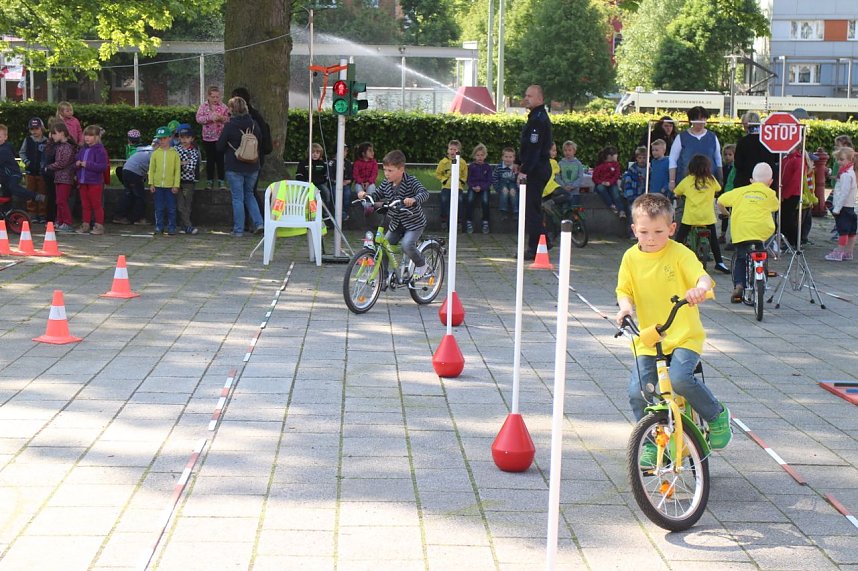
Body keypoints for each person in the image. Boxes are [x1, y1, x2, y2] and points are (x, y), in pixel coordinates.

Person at [615, 192, 732, 461]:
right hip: (649, 338)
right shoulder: (630, 258)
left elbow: (702, 276)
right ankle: (652, 441)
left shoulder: (680, 253)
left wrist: (699, 289)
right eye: (644, 232)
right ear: (634, 230)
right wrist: (624, 308)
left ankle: (716, 414)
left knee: (680, 379)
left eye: (658, 231)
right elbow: (624, 289)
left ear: (671, 228)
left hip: (683, 336)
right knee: (638, 391)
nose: (651, 238)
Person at [357, 150, 432, 281]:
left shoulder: (411, 181)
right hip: (396, 223)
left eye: (390, 171)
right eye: (385, 170)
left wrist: (413, 199)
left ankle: (422, 264)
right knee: (383, 246)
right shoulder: (387, 183)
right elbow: (377, 195)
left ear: (401, 169)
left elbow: (424, 192)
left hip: (413, 223)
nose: (386, 174)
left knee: (407, 245)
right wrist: (366, 196)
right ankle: (383, 277)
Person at [717, 163, 779, 302]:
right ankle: (762, 275)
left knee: (741, 257)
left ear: (751, 180)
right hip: (762, 230)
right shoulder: (770, 193)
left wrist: (726, 213)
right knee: (761, 252)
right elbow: (775, 207)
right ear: (770, 182)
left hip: (741, 230)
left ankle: (739, 285)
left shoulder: (739, 191)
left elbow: (720, 201)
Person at [673, 154, 730, 274]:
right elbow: (719, 189)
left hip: (690, 218)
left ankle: (671, 259)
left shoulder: (688, 180)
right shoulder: (711, 180)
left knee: (679, 238)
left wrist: (678, 195)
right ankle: (719, 262)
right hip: (707, 218)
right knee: (713, 239)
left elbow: (676, 192)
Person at [217, 96, 264, 237]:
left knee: (238, 198)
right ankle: (259, 223)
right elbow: (260, 141)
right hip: (253, 165)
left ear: (231, 110)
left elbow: (219, 147)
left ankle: (238, 230)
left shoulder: (230, 126)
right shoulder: (254, 124)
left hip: (234, 166)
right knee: (249, 195)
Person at [517, 85, 553, 259]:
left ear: (540, 98)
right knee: (533, 208)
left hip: (537, 169)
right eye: (526, 95)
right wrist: (518, 162)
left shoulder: (538, 119)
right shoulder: (535, 117)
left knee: (531, 210)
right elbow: (526, 146)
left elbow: (534, 148)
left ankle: (534, 248)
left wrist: (525, 171)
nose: (527, 98)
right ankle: (545, 239)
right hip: (536, 167)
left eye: (530, 96)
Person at [669, 106, 723, 194]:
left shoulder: (712, 137)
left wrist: (720, 178)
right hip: (686, 183)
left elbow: (718, 159)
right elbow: (672, 159)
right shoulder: (681, 137)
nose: (701, 122)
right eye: (697, 119)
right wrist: (672, 180)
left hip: (708, 184)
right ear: (691, 120)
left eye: (703, 119)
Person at [824, 147, 857, 261]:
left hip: (843, 207)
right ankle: (848, 252)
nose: (839, 162)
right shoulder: (850, 172)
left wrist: (837, 208)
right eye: (838, 159)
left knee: (843, 230)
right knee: (851, 231)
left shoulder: (846, 175)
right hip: (850, 206)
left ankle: (840, 252)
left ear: (849, 160)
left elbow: (844, 193)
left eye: (841, 159)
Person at [74, 125, 109, 235]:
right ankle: (85, 224)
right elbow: (75, 163)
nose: (87, 138)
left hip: (95, 182)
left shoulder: (100, 150)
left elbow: (103, 167)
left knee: (96, 204)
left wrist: (87, 165)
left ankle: (99, 225)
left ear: (97, 137)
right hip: (83, 182)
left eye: (90, 135)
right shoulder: (83, 149)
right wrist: (76, 165)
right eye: (86, 135)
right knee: (85, 205)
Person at [43, 122, 77, 233]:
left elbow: (62, 163)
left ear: (62, 133)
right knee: (59, 201)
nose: (52, 136)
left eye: (54, 133)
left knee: (62, 201)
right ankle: (60, 221)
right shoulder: (60, 146)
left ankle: (67, 222)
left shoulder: (67, 147)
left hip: (65, 178)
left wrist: (49, 167)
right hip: (58, 177)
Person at [733, 111, 778, 190]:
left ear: (746, 125)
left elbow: (738, 164)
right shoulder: (769, 140)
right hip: (768, 183)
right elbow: (776, 158)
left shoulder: (743, 142)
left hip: (747, 183)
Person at [148, 126, 181, 235]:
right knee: (159, 208)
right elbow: (151, 169)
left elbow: (177, 171)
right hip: (158, 185)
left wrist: (176, 185)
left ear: (169, 138)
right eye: (160, 139)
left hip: (170, 186)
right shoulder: (155, 153)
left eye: (164, 138)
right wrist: (151, 183)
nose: (161, 141)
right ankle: (159, 226)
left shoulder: (175, 153)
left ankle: (172, 227)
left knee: (171, 208)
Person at [196, 86, 230, 191]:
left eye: (217, 97)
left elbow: (229, 119)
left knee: (220, 160)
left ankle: (221, 182)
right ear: (208, 96)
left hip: (220, 138)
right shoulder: (203, 107)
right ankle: (209, 182)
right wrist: (210, 118)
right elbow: (198, 119)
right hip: (208, 138)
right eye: (213, 97)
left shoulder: (224, 107)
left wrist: (222, 118)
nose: (215, 99)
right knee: (210, 160)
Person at [113, 138, 153, 226]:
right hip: (134, 173)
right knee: (140, 196)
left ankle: (119, 216)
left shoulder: (142, 151)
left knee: (128, 194)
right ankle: (138, 218)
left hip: (126, 171)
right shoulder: (153, 153)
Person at [435, 139, 468, 231]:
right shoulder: (443, 162)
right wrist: (444, 180)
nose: (453, 151)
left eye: (455, 150)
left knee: (460, 201)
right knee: (444, 200)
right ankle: (444, 220)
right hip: (447, 187)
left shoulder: (462, 162)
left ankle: (459, 222)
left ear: (459, 151)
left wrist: (461, 181)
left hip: (458, 187)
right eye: (451, 149)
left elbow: (465, 175)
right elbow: (438, 174)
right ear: (447, 150)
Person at [19, 117, 49, 223]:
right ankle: (32, 213)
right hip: (30, 172)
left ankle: (42, 213)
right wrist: (27, 162)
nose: (34, 131)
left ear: (41, 128)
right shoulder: (28, 140)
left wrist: (45, 165)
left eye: (36, 128)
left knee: (42, 192)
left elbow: (49, 155)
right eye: (32, 129)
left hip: (41, 173)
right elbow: (22, 152)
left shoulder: (47, 141)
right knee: (30, 192)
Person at [779, 143, 806, 249]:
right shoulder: (786, 159)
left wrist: (785, 194)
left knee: (788, 218)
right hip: (784, 192)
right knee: (783, 217)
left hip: (793, 193)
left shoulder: (798, 159)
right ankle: (787, 239)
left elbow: (796, 180)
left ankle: (793, 241)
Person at [296, 143, 334, 218]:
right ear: (308, 153)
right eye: (313, 152)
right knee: (303, 197)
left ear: (320, 154)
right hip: (306, 184)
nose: (315, 154)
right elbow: (298, 175)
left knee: (326, 193)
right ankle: (301, 213)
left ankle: (325, 214)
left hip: (319, 184)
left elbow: (325, 176)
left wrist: (320, 181)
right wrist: (305, 181)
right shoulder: (303, 163)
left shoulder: (322, 164)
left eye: (317, 152)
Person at [176, 125, 201, 235]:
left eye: (187, 137)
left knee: (187, 205)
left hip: (189, 182)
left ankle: (184, 226)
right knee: (180, 205)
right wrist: (182, 163)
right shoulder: (175, 149)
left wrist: (181, 164)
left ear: (192, 139)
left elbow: (190, 168)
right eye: (182, 137)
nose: (184, 140)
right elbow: (173, 164)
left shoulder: (194, 151)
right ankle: (189, 226)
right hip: (177, 181)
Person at [466, 143, 493, 234]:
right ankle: (469, 221)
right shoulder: (471, 167)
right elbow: (468, 179)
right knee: (469, 200)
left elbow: (489, 181)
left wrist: (482, 187)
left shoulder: (487, 167)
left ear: (485, 156)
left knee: (485, 201)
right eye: (477, 155)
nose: (480, 157)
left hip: (484, 188)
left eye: (482, 155)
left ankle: (485, 222)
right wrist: (473, 187)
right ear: (474, 156)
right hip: (473, 187)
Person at [592, 145, 625, 218]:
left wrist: (610, 182)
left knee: (615, 192)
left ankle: (621, 210)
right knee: (600, 188)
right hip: (601, 184)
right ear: (610, 156)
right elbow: (595, 177)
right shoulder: (600, 166)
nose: (617, 156)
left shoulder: (616, 165)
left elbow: (616, 175)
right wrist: (602, 182)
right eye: (616, 154)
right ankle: (611, 205)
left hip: (612, 184)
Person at [326, 143, 353, 222]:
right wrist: (337, 182)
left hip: (345, 185)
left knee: (347, 194)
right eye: (344, 151)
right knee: (335, 195)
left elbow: (351, 175)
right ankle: (342, 215)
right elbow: (329, 176)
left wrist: (348, 181)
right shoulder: (331, 163)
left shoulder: (347, 162)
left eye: (346, 151)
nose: (346, 153)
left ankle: (345, 214)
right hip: (334, 185)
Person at [557, 140, 585, 206]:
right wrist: (563, 186)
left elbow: (580, 177)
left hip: (575, 193)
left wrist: (572, 186)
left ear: (574, 151)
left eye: (569, 150)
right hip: (563, 192)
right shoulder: (560, 163)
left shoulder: (578, 164)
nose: (567, 152)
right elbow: (557, 176)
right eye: (565, 150)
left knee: (574, 211)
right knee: (564, 210)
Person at [493, 147, 518, 220]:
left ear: (514, 158)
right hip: (502, 185)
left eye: (510, 157)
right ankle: (503, 212)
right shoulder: (499, 167)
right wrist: (498, 189)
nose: (508, 159)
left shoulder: (516, 168)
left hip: (513, 185)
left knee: (513, 192)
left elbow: (519, 180)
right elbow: (494, 178)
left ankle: (516, 211)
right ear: (502, 157)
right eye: (506, 157)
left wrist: (517, 188)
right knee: (504, 193)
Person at [719, 143, 737, 243]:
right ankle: (722, 234)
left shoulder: (736, 168)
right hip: (725, 193)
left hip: (733, 194)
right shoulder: (724, 167)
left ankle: (732, 237)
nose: (727, 157)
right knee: (724, 215)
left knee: (734, 216)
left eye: (730, 155)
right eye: (725, 155)